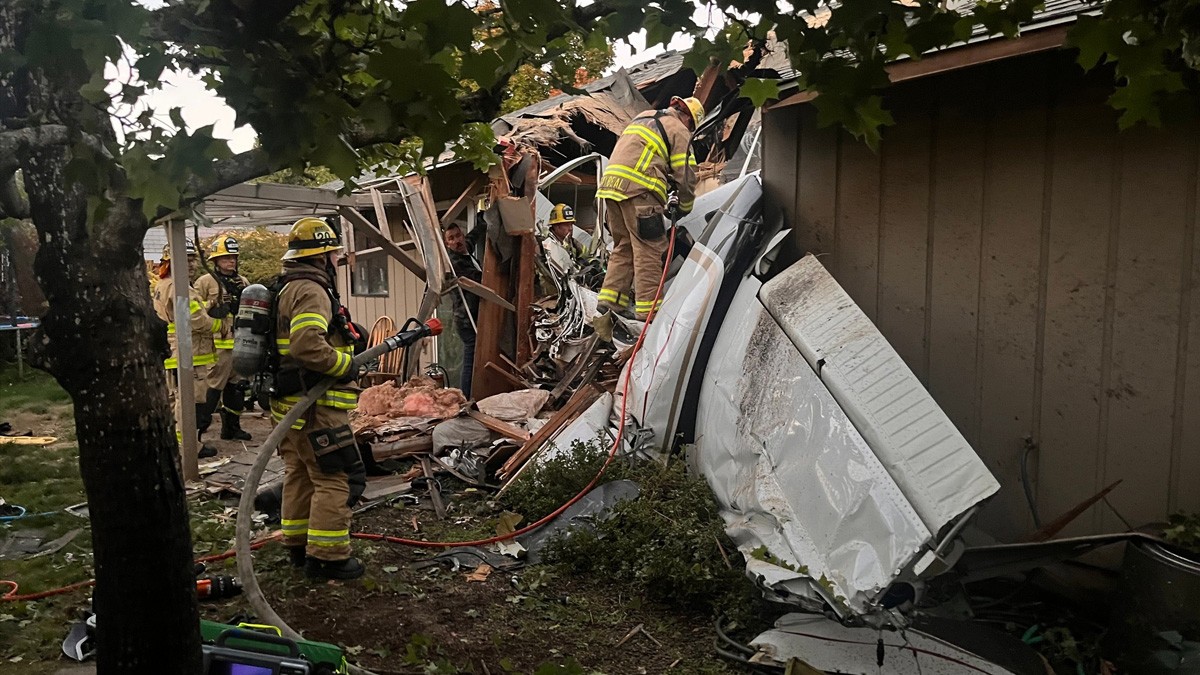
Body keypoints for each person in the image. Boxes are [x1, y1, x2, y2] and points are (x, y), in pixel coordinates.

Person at [271, 217, 367, 580]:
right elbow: (308, 345)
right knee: (333, 476)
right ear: (322, 256)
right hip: (316, 405)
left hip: (289, 403)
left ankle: (298, 546)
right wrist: (346, 364)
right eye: (333, 255)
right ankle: (328, 558)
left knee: (300, 473)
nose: (335, 262)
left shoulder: (286, 287)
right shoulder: (311, 290)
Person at [595, 95, 703, 324]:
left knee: (624, 245)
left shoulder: (642, 118)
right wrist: (684, 206)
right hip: (640, 191)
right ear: (689, 120)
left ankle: (609, 302)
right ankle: (648, 313)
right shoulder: (679, 130)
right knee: (650, 250)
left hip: (611, 188)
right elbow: (685, 175)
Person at [152, 239, 221, 459]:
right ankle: (190, 447)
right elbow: (196, 320)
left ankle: (173, 441)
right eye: (185, 260)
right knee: (190, 400)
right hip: (189, 352)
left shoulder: (163, 284)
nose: (190, 264)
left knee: (175, 399)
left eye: (192, 259)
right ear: (170, 262)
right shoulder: (180, 287)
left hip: (171, 349)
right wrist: (222, 324)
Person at [195, 235, 252, 441]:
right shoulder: (205, 282)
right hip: (217, 346)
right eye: (226, 257)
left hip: (239, 343)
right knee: (211, 389)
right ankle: (198, 434)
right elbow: (195, 310)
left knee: (236, 387)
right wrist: (214, 304)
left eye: (234, 257)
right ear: (215, 260)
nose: (231, 261)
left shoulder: (243, 281)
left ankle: (231, 428)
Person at [443, 223, 481, 398]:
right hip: (466, 319)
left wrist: (484, 218)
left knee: (475, 357)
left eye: (458, 235)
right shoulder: (454, 262)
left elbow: (473, 237)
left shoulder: (465, 250)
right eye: (451, 239)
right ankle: (465, 396)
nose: (457, 241)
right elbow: (480, 278)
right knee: (470, 360)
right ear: (447, 244)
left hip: (474, 316)